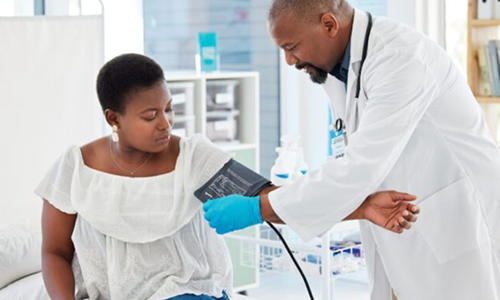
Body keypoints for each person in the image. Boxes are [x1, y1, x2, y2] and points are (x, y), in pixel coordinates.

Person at [35, 53, 417, 300]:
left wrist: (363, 207)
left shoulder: (192, 157)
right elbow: (54, 251)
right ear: (113, 119)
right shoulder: (75, 167)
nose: (166, 124)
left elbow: (276, 199)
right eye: (150, 116)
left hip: (183, 292)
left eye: (169, 109)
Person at [203, 1, 500, 300]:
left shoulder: (401, 57)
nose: (289, 61)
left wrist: (259, 208)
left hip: (459, 222)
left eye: (291, 47)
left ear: (329, 25)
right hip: (406, 225)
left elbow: (359, 168)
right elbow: (351, 158)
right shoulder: (340, 71)